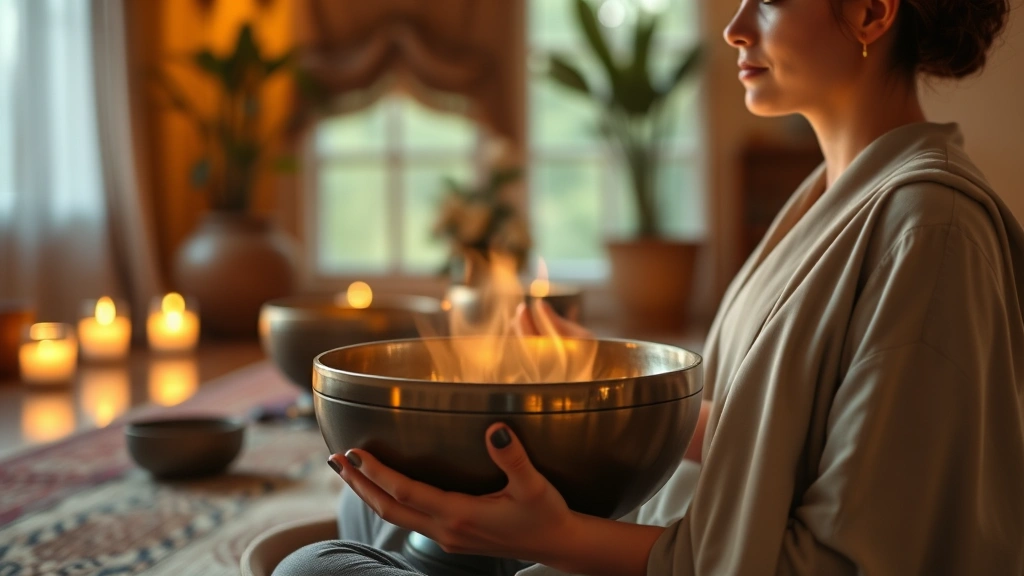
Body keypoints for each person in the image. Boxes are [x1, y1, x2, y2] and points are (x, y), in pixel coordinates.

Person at [275, 0, 1024, 573]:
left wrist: (558, 538)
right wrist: (590, 382)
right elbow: (772, 442)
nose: (733, 27)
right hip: (673, 532)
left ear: (870, 10)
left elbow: (844, 562)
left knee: (314, 566)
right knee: (366, 500)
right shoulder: (832, 195)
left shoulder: (932, 230)